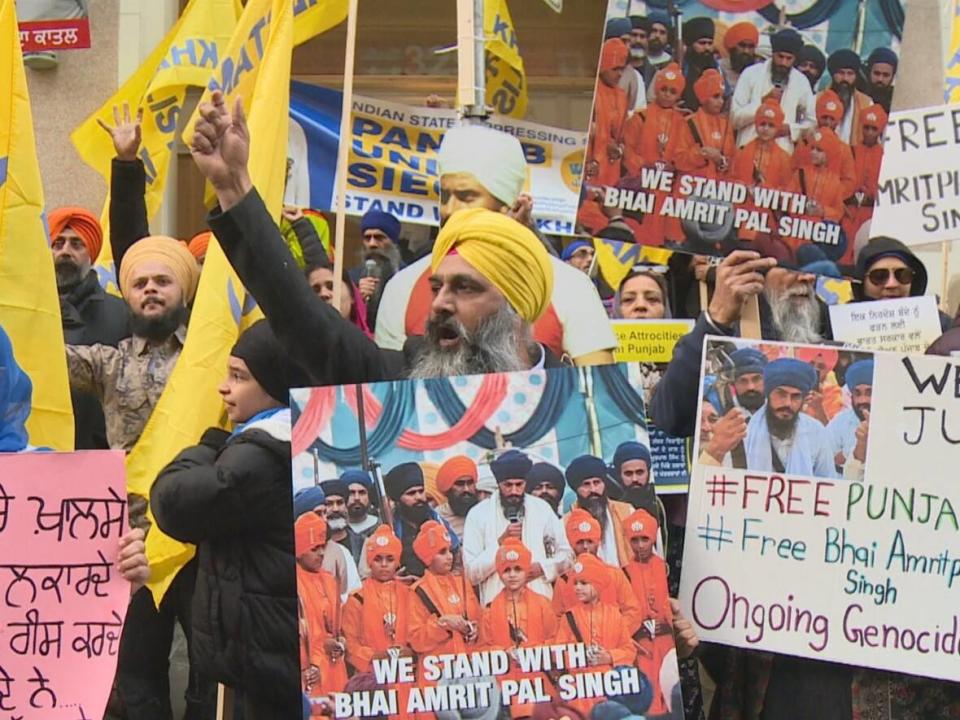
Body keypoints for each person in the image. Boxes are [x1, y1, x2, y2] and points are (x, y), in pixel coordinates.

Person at [63, 232, 202, 719]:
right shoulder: (107, 361)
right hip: (132, 545)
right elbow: (40, 355)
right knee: (139, 672)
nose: (150, 289)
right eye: (140, 281)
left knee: (208, 675)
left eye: (163, 280)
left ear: (183, 291)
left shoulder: (211, 361)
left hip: (199, 540)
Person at [150, 319, 312, 718]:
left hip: (263, 658)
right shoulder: (299, 439)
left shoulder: (255, 457)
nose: (223, 387)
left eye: (238, 377)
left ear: (275, 383)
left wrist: (206, 446)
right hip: (280, 649)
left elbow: (173, 503)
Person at [374, 123, 617, 366]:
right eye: (445, 196)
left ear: (508, 206)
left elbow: (600, 392)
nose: (450, 210)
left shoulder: (571, 287)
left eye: (467, 197)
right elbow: (388, 390)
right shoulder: (402, 288)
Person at [650, 250, 834, 440]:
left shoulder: (831, 331)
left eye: (812, 268)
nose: (808, 277)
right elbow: (670, 418)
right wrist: (715, 323)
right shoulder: (720, 331)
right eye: (792, 267)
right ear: (753, 273)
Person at [48, 206, 130, 450]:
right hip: (37, 451)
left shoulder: (121, 314)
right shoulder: (31, 312)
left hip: (98, 454)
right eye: (58, 243)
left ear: (91, 253)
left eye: (76, 244)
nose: (65, 251)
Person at [462, 449, 572, 604]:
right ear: (498, 484)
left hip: (540, 606)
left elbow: (567, 557)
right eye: (508, 485)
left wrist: (543, 568)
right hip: (496, 608)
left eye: (519, 485)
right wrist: (499, 544)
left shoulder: (542, 509)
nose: (514, 491)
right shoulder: (478, 514)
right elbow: (470, 574)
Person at [479, 538, 558, 718]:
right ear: (499, 574)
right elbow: (482, 649)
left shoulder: (543, 604)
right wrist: (503, 653)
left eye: (518, 569)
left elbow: (556, 641)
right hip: (504, 689)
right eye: (507, 570)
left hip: (539, 685)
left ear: (526, 571)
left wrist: (533, 651)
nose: (512, 575)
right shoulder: (489, 611)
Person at [723, 357, 838, 477]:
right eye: (781, 394)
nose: (787, 403)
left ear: (803, 399)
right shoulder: (743, 434)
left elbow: (827, 481)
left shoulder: (815, 431)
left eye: (795, 396)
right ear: (768, 394)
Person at [552, 553, 636, 718]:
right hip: (579, 690)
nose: (577, 588)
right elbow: (558, 653)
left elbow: (629, 651)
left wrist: (609, 656)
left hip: (610, 688)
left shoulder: (614, 615)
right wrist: (580, 657)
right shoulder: (569, 617)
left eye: (584, 583)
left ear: (597, 585)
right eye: (575, 583)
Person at [550, 509, 643, 632]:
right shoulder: (564, 581)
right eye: (580, 542)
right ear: (572, 544)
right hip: (579, 645)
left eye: (590, 541)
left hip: (614, 643)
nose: (585, 547)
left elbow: (633, 611)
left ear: (598, 543)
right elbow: (556, 619)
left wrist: (615, 632)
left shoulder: (614, 574)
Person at [369, 462, 462, 582]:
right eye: (411, 493)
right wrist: (391, 578)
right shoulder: (387, 528)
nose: (419, 497)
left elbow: (456, 559)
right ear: (397, 500)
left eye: (421, 491)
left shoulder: (438, 521)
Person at [621, 508, 674, 716]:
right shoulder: (624, 572)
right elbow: (622, 611)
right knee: (647, 698)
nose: (641, 545)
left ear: (653, 539)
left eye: (645, 539)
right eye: (635, 540)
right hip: (641, 645)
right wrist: (634, 628)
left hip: (666, 642)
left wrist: (667, 621)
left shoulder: (665, 567)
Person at [293, 512, 349, 706]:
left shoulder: (329, 579)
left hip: (335, 671)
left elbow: (339, 628)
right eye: (314, 548)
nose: (321, 553)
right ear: (299, 550)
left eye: (323, 547)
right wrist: (304, 667)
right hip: (311, 674)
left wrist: (340, 642)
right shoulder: (293, 582)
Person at [342, 525, 413, 674]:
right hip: (371, 676)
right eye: (378, 559)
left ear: (398, 562)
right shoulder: (356, 599)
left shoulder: (411, 594)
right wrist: (376, 657)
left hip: (407, 673)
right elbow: (350, 645)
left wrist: (411, 651)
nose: (384, 565)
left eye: (390, 559)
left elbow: (419, 636)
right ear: (369, 562)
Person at [408, 520, 482, 662]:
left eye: (450, 550)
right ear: (428, 557)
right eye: (442, 552)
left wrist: (476, 630)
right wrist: (442, 625)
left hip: (470, 665)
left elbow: (479, 619)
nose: (449, 557)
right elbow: (416, 640)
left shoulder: (463, 583)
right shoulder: (418, 591)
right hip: (438, 670)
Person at [730, 28, 814, 152]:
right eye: (780, 57)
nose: (783, 63)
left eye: (788, 58)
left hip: (782, 154)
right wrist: (762, 102)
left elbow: (812, 122)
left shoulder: (801, 82)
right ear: (773, 54)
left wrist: (790, 129)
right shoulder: (751, 74)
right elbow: (734, 119)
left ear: (794, 59)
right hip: (747, 150)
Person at [854, 236, 953, 330]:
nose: (892, 284)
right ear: (862, 282)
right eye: (879, 276)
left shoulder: (941, 326)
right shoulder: (842, 326)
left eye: (902, 275)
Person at [563, 455, 634, 566]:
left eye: (597, 482)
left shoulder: (626, 512)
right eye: (586, 484)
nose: (593, 490)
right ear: (576, 489)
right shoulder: (565, 523)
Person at [675, 68, 736, 182]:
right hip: (692, 187)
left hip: (717, 189)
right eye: (715, 96)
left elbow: (731, 160)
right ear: (704, 98)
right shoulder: (688, 123)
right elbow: (679, 161)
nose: (721, 101)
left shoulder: (726, 125)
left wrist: (721, 160)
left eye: (722, 97)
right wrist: (702, 154)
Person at [842, 104, 886, 256]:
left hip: (870, 215)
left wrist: (871, 194)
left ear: (880, 130)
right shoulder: (850, 151)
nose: (869, 132)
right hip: (849, 211)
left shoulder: (885, 156)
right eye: (866, 127)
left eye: (874, 129)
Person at [349, 209, 403, 330]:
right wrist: (357, 298)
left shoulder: (408, 276)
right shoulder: (351, 278)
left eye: (379, 237)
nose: (372, 244)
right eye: (367, 238)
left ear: (393, 241)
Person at [826, 358, 872, 472]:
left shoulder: (894, 421)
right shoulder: (841, 420)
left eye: (869, 393)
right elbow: (824, 457)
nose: (862, 400)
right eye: (857, 393)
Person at [821, 49, 872, 145]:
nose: (845, 78)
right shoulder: (818, 99)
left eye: (850, 73)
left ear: (856, 76)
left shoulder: (866, 103)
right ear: (833, 74)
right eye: (841, 73)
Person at [319, 477, 370, 573]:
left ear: (346, 506)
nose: (335, 509)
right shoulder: (314, 547)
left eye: (340, 503)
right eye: (329, 504)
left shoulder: (363, 544)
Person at [434, 454, 480, 539]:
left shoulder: (484, 512)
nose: (466, 489)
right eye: (460, 484)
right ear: (448, 488)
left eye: (470, 483)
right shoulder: (437, 517)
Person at [680, 17, 720, 112]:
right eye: (702, 43)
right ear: (690, 45)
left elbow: (727, 97)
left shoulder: (717, 67)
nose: (707, 48)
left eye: (710, 43)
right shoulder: (681, 66)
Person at [719, 22, 759, 88]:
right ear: (732, 46)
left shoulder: (760, 70)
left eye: (750, 46)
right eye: (742, 45)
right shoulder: (719, 68)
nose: (746, 51)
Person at [863, 46, 897, 111]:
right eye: (876, 73)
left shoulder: (897, 100)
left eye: (886, 75)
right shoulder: (858, 97)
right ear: (869, 71)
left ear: (893, 76)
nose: (880, 79)